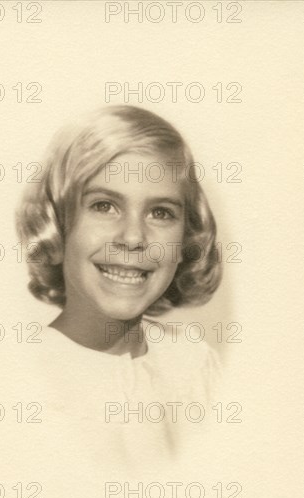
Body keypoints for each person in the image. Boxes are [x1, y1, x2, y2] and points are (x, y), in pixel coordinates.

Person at [15, 105, 222, 473]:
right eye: (104, 205)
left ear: (185, 237)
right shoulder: (25, 378)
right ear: (56, 224)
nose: (133, 237)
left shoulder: (192, 363)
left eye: (160, 212)